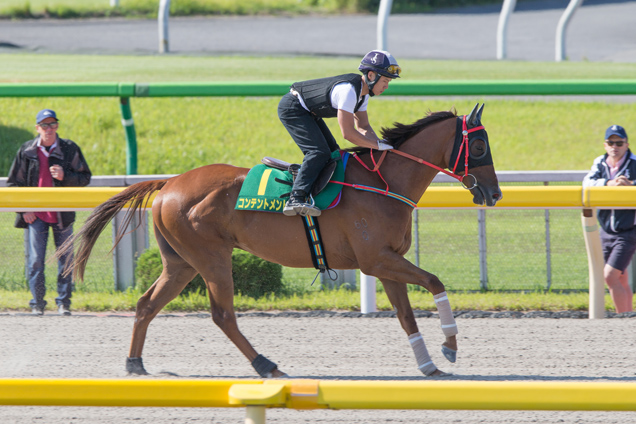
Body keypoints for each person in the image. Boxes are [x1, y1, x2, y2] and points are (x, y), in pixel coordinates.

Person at [278, 49, 401, 217]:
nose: (386, 86)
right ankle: (296, 198)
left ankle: (314, 190)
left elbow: (363, 127)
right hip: (293, 108)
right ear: (371, 75)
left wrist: (382, 145)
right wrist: (376, 146)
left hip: (308, 112)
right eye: (385, 80)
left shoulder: (363, 96)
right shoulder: (349, 91)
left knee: (333, 152)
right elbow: (348, 134)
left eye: (389, 82)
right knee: (318, 152)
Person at [7, 109, 92, 316]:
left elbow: (84, 178)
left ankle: (64, 303)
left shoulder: (69, 149)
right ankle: (37, 304)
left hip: (62, 214)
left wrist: (65, 176)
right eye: (44, 125)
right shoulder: (26, 150)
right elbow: (13, 184)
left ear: (57, 126)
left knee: (66, 260)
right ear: (37, 128)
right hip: (35, 216)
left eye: (52, 124)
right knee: (36, 261)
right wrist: (23, 209)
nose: (49, 129)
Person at [583, 124, 636, 313]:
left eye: (619, 143)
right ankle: (629, 315)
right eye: (611, 142)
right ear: (605, 145)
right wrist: (609, 183)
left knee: (610, 276)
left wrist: (631, 186)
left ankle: (623, 318)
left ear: (626, 145)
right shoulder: (600, 163)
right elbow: (587, 183)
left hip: (628, 231)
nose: (615, 146)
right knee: (620, 278)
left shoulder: (634, 164)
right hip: (605, 230)